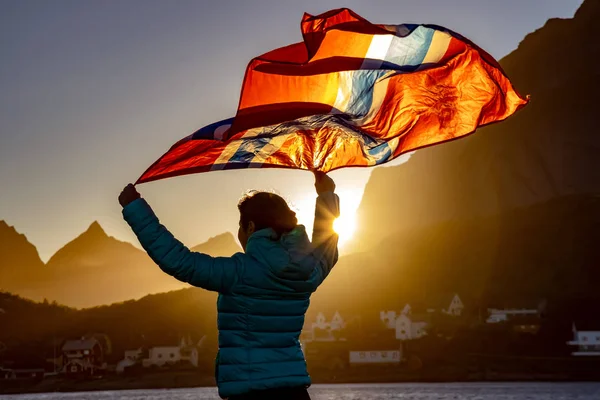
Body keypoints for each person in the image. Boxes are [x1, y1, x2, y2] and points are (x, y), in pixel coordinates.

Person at [118, 171, 340, 400]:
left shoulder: (239, 272)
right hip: (295, 393)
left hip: (250, 394)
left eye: (240, 226)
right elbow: (327, 247)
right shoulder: (309, 270)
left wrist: (134, 207)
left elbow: (179, 261)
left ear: (251, 227)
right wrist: (326, 195)